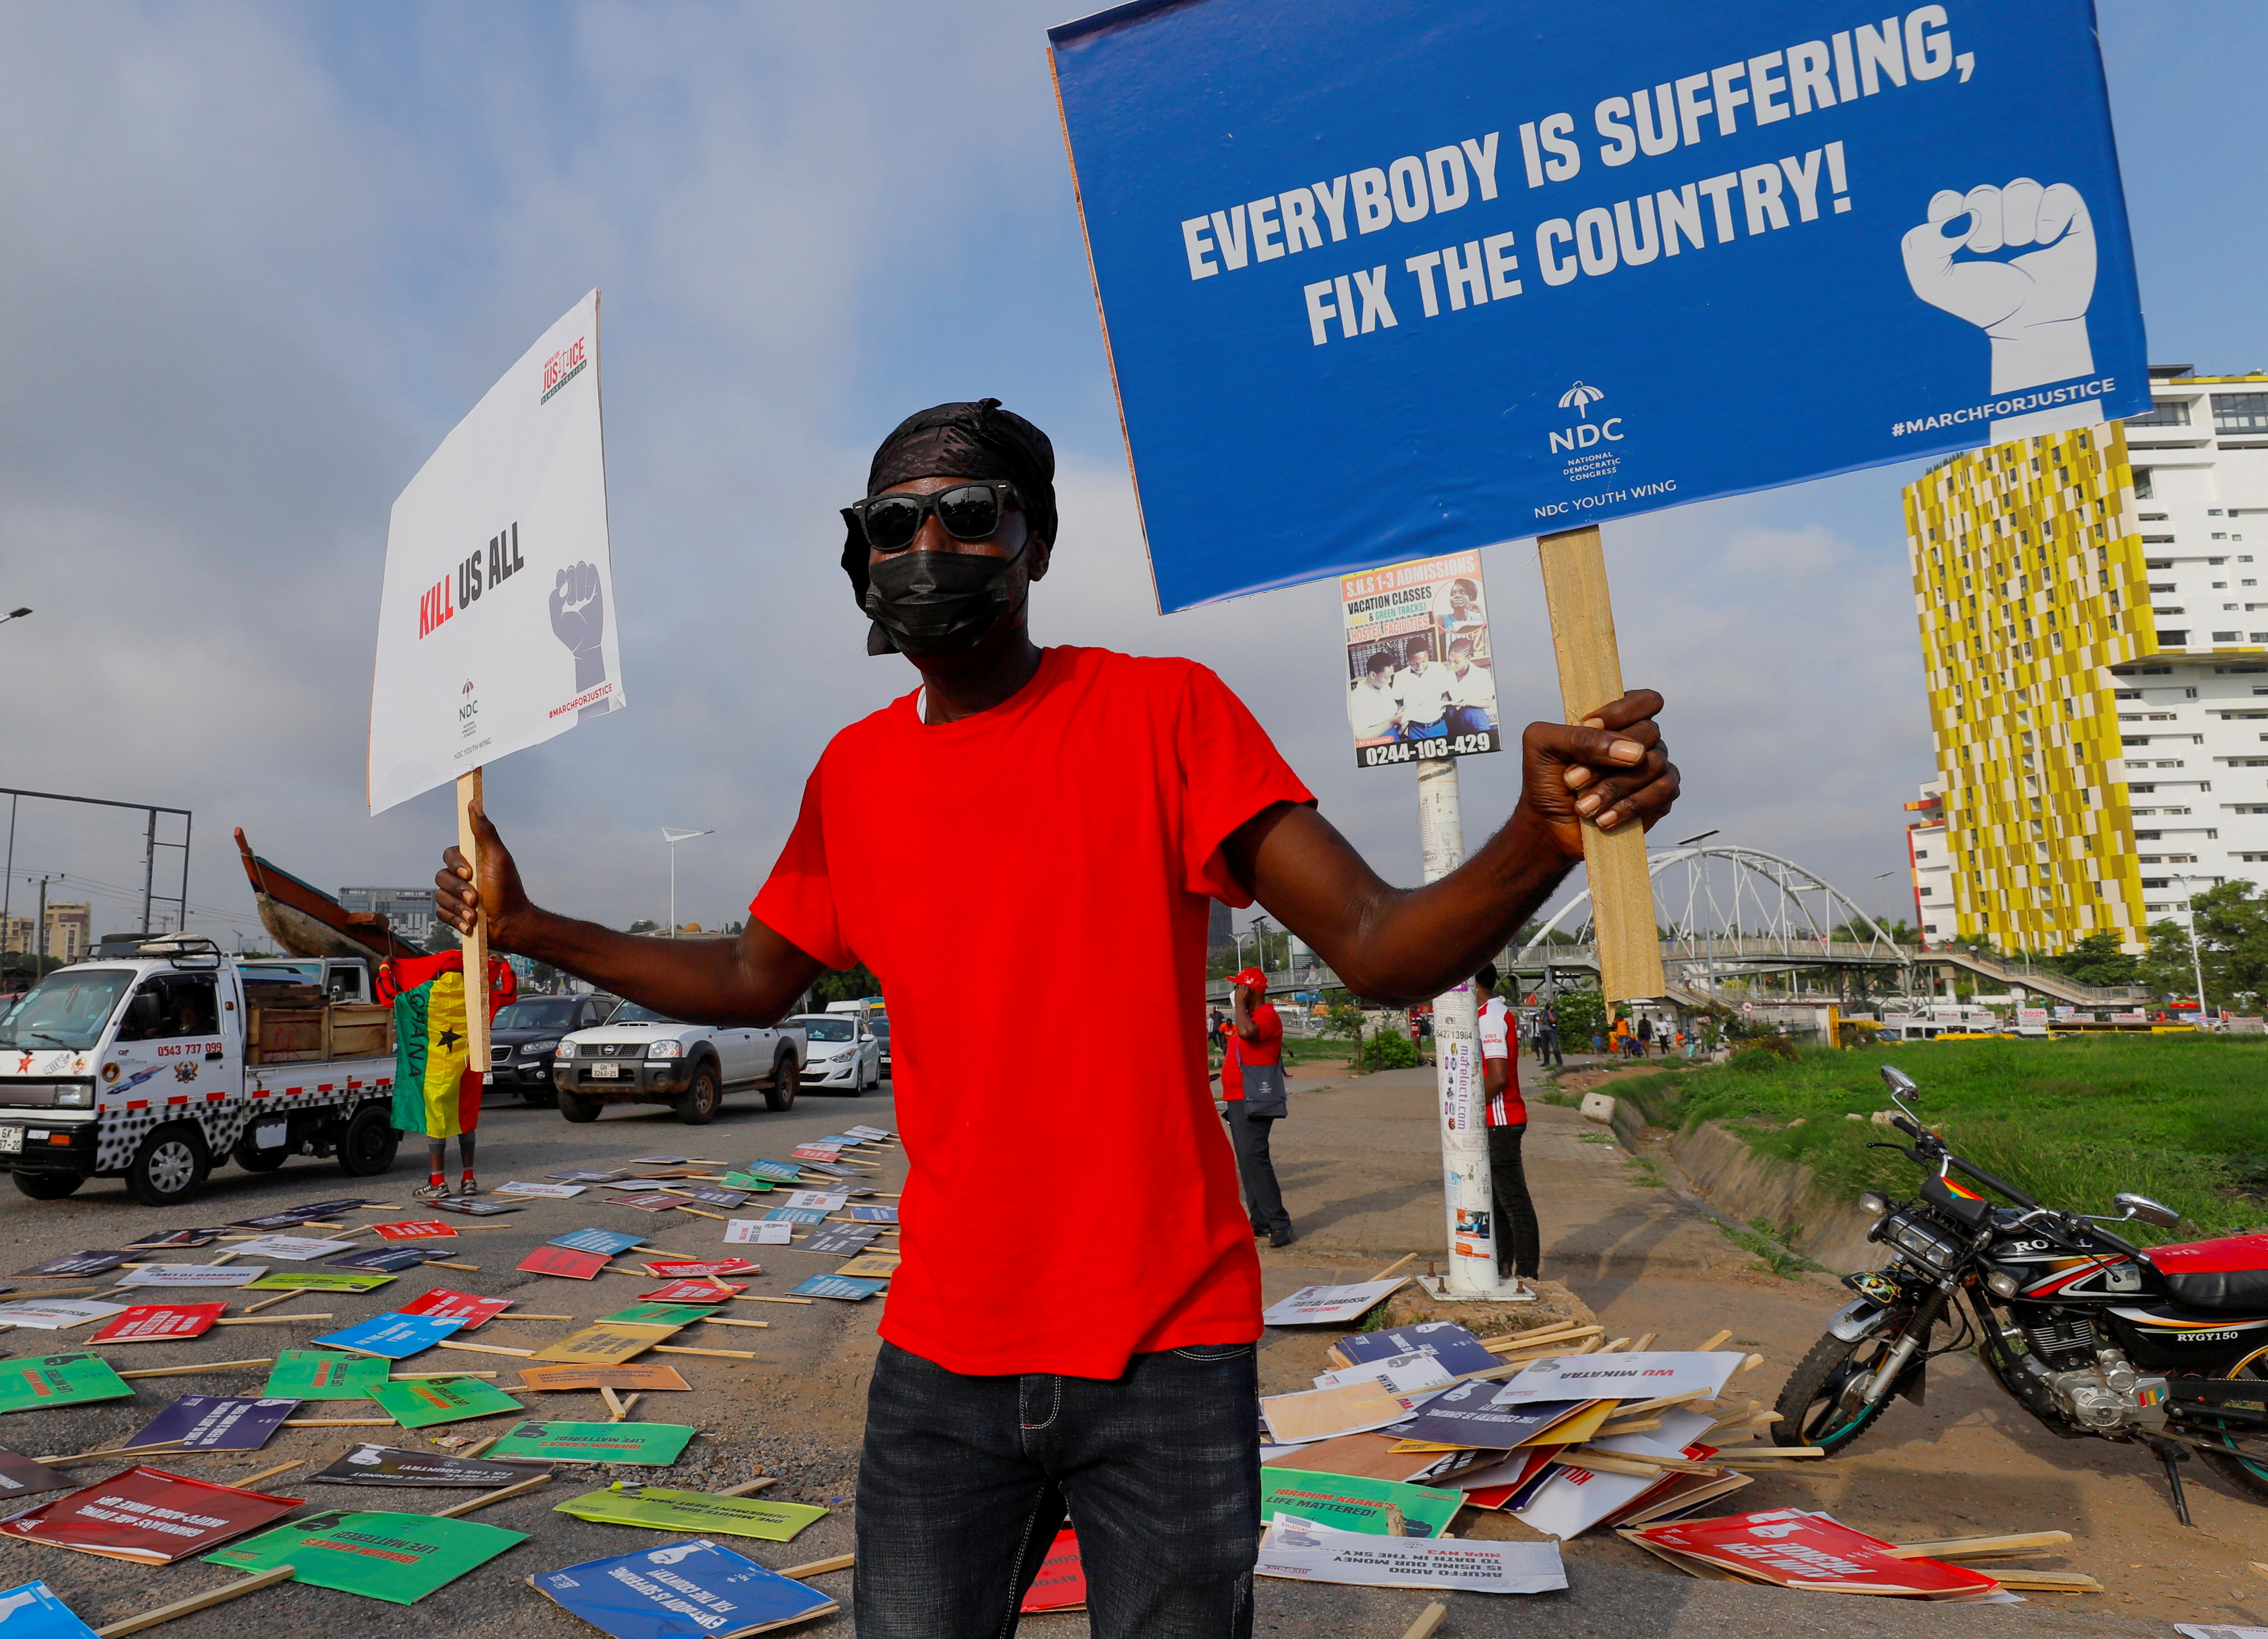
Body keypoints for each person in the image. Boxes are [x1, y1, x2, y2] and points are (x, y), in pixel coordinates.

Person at [430, 397, 1679, 1639]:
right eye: (891, 522)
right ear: (858, 555)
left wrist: (1534, 838)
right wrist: (532, 924)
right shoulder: (850, 777)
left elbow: (1371, 948)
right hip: (939, 1359)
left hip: (1164, 1357)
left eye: (967, 514)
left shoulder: (1166, 716)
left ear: (1032, 541)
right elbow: (750, 980)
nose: (926, 545)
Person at [1475, 964, 1539, 1290]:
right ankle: (1503, 1269)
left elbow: (1498, 1077)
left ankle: (1527, 1276)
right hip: (1501, 1119)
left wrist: (1470, 1106)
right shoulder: (1494, 1011)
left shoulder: (1488, 1016)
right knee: (1499, 1203)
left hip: (1500, 1120)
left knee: (1513, 1204)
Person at [1220, 966, 1293, 1246]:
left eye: (1239, 988)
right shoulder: (1252, 1016)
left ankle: (1279, 1224)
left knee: (1256, 1159)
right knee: (1248, 1161)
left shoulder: (1266, 1016)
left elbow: (1249, 1033)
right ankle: (1260, 1221)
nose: (1235, 993)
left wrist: (1240, 1005)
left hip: (1255, 1098)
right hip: (1239, 1098)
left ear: (1250, 991)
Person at [1394, 637, 1454, 740]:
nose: (1419, 667)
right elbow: (1398, 701)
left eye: (1424, 662)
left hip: (1438, 725)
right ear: (1408, 658)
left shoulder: (1439, 669)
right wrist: (1402, 710)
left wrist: (1437, 705)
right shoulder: (1400, 677)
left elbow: (1446, 696)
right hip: (1415, 729)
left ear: (1428, 656)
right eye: (1414, 663)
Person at [1347, 649, 1404, 744]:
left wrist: (1401, 711)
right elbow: (1359, 736)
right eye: (1386, 678)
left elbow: (1390, 711)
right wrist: (1392, 722)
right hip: (1377, 745)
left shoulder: (1385, 688)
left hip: (1394, 738)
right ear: (1373, 675)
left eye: (1391, 676)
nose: (1390, 681)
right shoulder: (1356, 698)